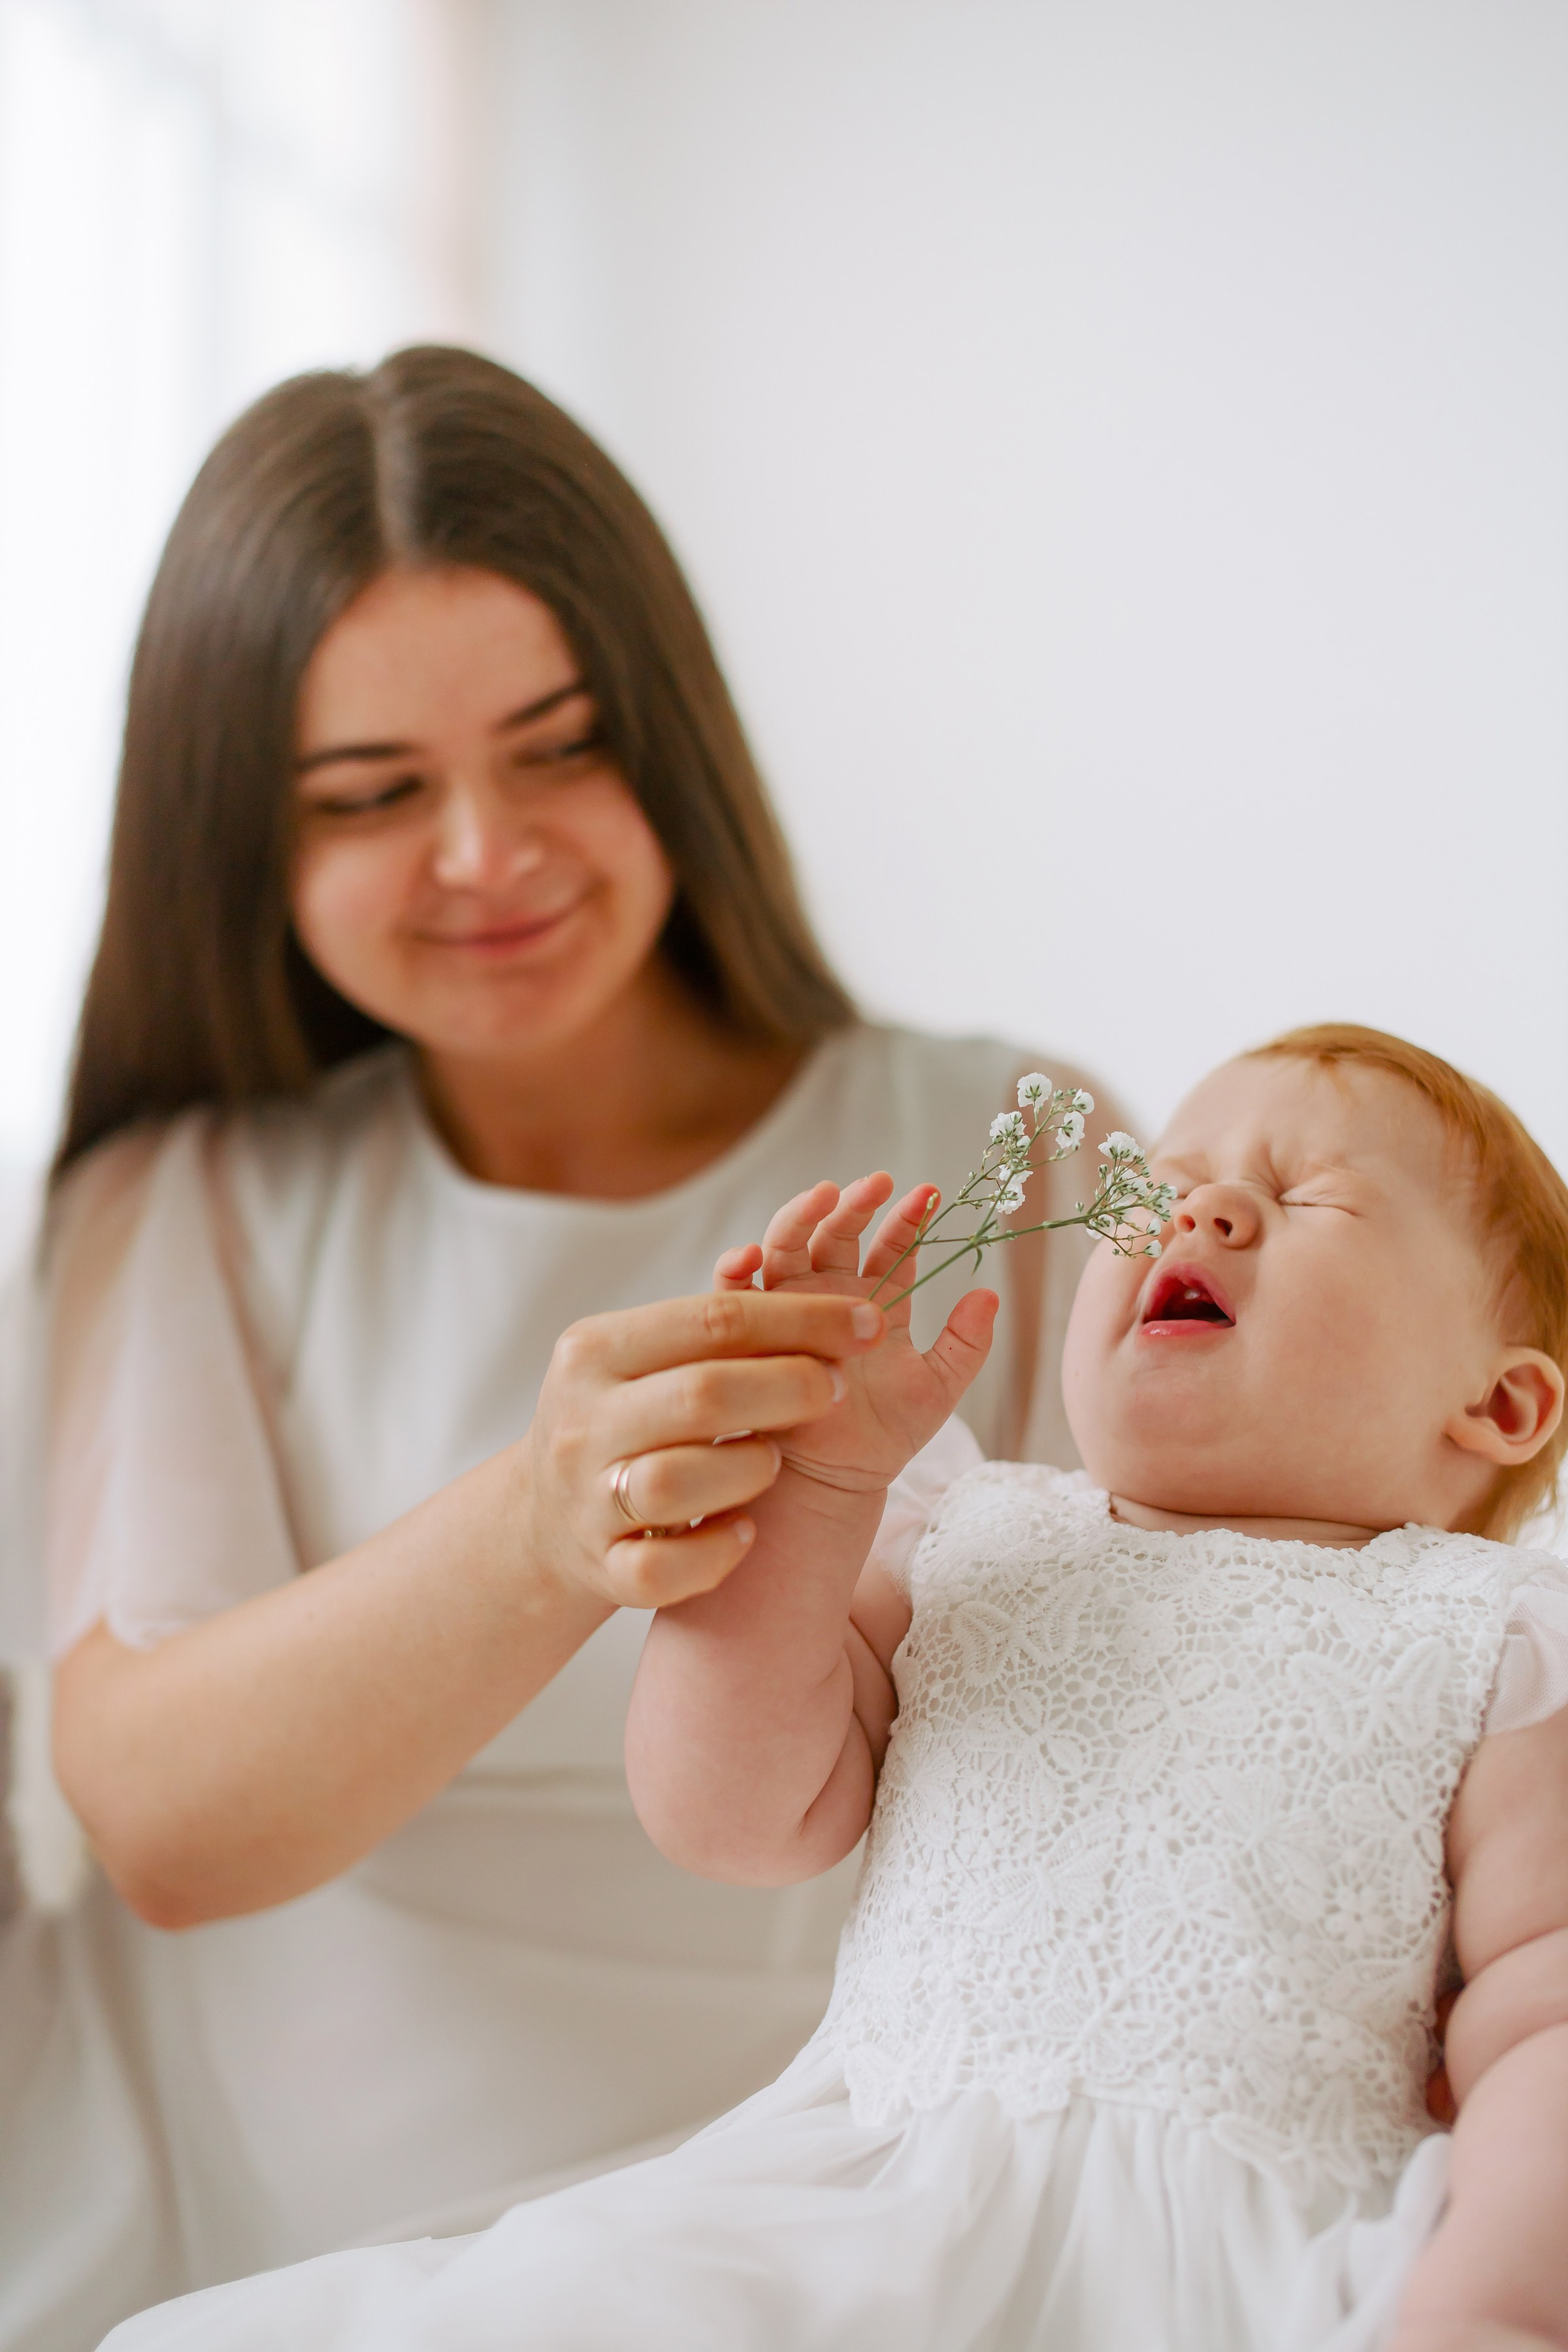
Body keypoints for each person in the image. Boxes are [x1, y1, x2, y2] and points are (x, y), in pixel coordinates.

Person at [8, 345, 1124, 2327]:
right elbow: (156, 1820)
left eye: (561, 748)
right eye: (371, 795)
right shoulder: (179, 1198)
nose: (483, 855)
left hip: (852, 2209)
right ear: (240, 841)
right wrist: (541, 1526)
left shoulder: (1008, 1153)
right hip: (273, 2216)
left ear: (671, 741)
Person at [99, 1023, 1568, 2352]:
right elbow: (729, 1814)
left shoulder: (1493, 1639)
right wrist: (814, 1492)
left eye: (1309, 1196)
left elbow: (1544, 2020)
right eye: (1163, 1184)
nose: (1200, 1207)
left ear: (1500, 1405)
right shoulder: (972, 1543)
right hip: (868, 2203)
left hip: (1248, 2252)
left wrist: (1493, 2302)